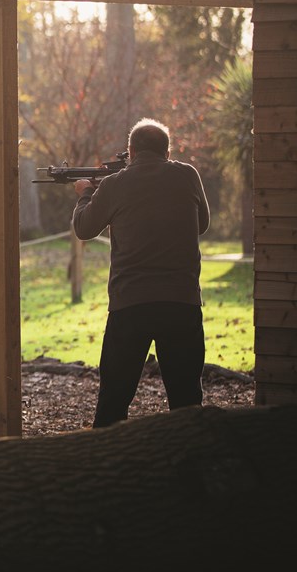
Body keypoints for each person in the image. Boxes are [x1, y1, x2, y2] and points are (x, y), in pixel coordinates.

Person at [72, 117, 211, 428]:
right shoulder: (188, 175)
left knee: (113, 401)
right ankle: (192, 467)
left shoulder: (113, 185)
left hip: (130, 305)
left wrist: (85, 194)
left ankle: (109, 466)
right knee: (187, 401)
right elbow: (201, 224)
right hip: (182, 302)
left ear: (130, 152)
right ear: (167, 151)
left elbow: (83, 228)